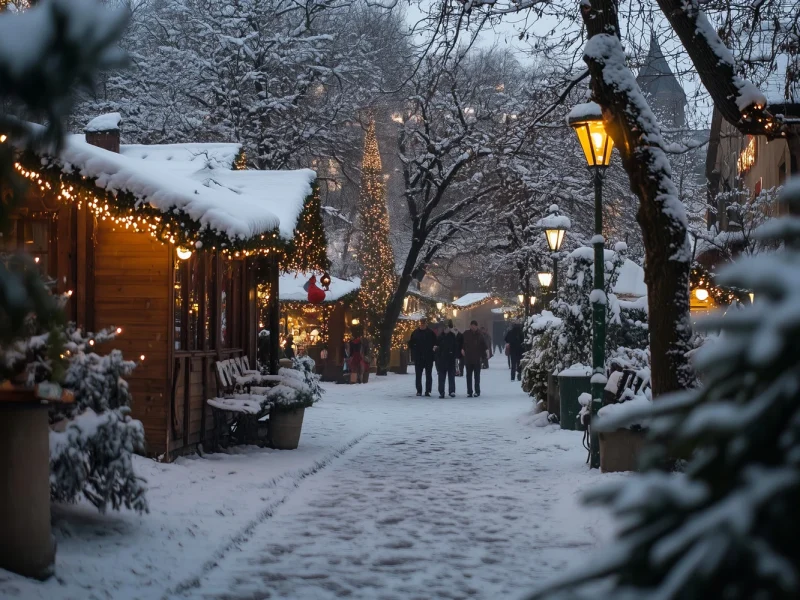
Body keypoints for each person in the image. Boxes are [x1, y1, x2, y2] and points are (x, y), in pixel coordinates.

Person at [408, 318, 437, 396]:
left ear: (426, 324)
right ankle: (419, 390)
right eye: (421, 324)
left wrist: (433, 352)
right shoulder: (415, 333)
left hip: (428, 357)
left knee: (428, 375)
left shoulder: (431, 333)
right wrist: (414, 351)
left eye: (423, 324)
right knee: (418, 375)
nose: (422, 326)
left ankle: (428, 390)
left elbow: (435, 343)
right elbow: (411, 344)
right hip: (418, 357)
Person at [462, 320, 488, 397]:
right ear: (470, 326)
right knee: (468, 376)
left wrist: (486, 353)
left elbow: (484, 345)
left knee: (477, 376)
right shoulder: (466, 334)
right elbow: (462, 342)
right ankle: (469, 391)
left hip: (477, 359)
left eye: (474, 325)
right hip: (468, 358)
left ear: (476, 326)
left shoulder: (480, 335)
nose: (473, 327)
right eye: (471, 325)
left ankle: (477, 391)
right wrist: (462, 349)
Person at [435, 320, 458, 398]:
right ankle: (441, 392)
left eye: (447, 328)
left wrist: (454, 356)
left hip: (451, 360)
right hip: (442, 360)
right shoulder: (439, 337)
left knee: (451, 377)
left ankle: (452, 391)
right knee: (441, 377)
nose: (446, 329)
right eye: (444, 328)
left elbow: (455, 348)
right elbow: (436, 348)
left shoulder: (453, 336)